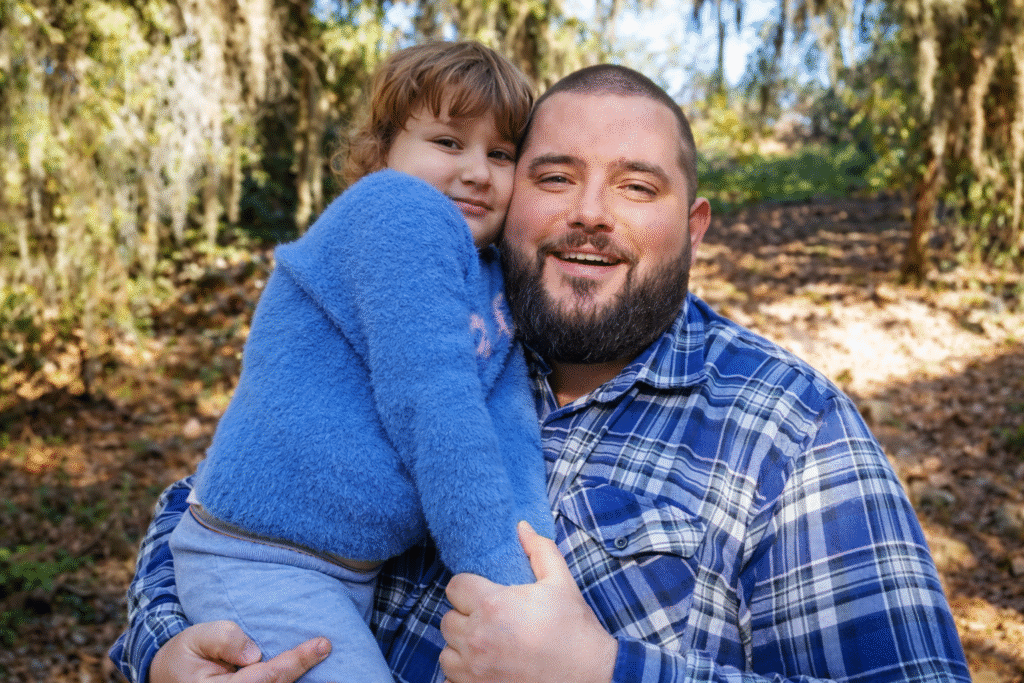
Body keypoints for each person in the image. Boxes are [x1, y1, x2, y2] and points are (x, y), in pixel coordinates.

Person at [111, 63, 971, 683]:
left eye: (637, 187)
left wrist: (605, 671)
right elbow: (217, 499)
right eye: (555, 176)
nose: (589, 213)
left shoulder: (785, 426)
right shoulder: (458, 322)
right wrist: (164, 648)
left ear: (696, 226)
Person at [159, 40, 555, 683]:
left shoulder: (491, 278)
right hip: (261, 560)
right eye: (449, 142)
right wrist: (509, 603)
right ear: (383, 154)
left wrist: (536, 578)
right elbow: (434, 405)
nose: (479, 171)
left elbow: (508, 432)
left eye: (501, 153)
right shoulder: (397, 212)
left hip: (342, 571)